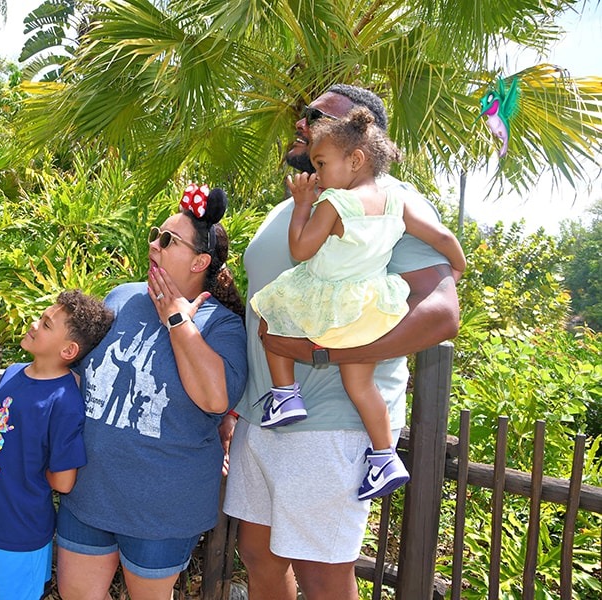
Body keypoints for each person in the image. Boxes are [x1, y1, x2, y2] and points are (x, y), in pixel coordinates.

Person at [222, 84, 461, 600]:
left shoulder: (386, 203)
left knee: (322, 573)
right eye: (304, 115)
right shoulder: (295, 204)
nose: (303, 124)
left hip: (334, 422)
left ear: (360, 141)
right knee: (259, 556)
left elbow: (441, 312)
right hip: (268, 415)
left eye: (317, 116)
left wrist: (327, 355)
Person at [249, 107, 467, 500]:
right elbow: (442, 236)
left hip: (326, 298)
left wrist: (303, 205)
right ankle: (384, 457)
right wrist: (458, 266)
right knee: (361, 385)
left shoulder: (335, 202)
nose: (316, 172)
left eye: (321, 163)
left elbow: (301, 250)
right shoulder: (396, 204)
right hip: (369, 309)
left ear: (355, 160)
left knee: (271, 317)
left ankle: (285, 395)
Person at [55, 184, 248, 600]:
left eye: (168, 240)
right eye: (154, 235)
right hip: (89, 493)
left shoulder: (223, 326)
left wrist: (179, 321)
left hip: (161, 508)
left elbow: (216, 399)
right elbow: (78, 370)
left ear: (200, 261)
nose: (154, 245)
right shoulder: (122, 297)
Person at [0, 290, 114, 600]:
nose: (35, 324)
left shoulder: (65, 401)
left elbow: (64, 481)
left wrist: (27, 474)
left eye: (47, 324)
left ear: (69, 349)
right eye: (41, 317)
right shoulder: (11, 374)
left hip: (16, 533)